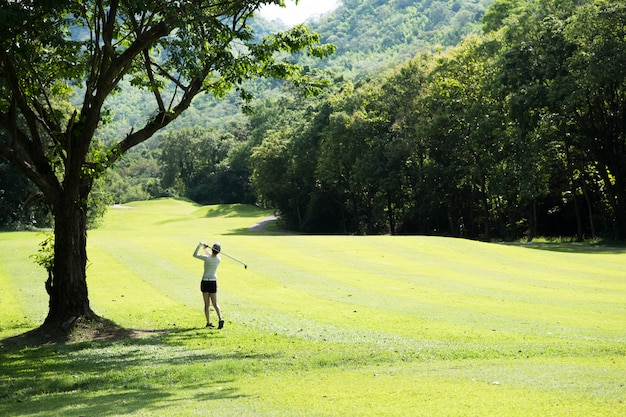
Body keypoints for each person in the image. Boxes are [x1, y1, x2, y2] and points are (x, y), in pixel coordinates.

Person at [193, 241, 224, 329]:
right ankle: (220, 318)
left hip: (205, 281)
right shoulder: (218, 259)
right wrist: (206, 249)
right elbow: (211, 255)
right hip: (213, 282)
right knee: (215, 303)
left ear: (212, 249)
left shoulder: (207, 258)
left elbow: (195, 255)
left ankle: (208, 322)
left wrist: (200, 246)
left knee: (207, 304)